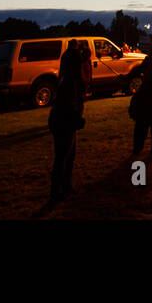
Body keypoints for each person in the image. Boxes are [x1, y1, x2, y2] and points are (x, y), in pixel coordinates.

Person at [48, 41, 90, 204]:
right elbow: (69, 103)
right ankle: (56, 192)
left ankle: (65, 187)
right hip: (64, 122)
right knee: (62, 158)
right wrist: (77, 118)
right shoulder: (70, 82)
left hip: (64, 120)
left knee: (69, 156)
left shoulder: (68, 79)